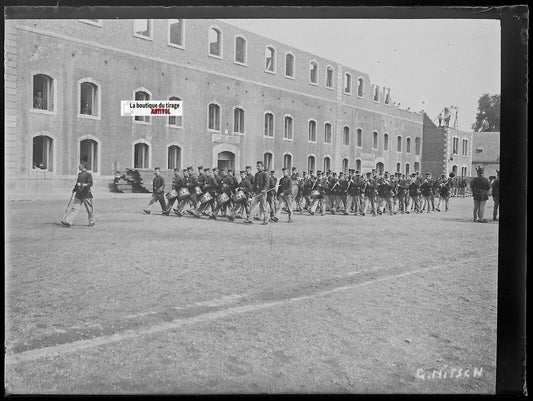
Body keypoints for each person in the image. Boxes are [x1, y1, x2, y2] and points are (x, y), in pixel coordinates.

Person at [62, 163, 95, 227]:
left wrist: (82, 185)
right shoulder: (79, 174)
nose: (79, 166)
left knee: (89, 209)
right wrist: (74, 189)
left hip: (86, 194)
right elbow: (77, 183)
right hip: (78, 194)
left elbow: (90, 183)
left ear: (83, 166)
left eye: (80, 165)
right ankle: (69, 222)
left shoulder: (88, 174)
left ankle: (91, 221)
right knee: (74, 208)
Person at [249, 161, 270, 225]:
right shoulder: (256, 174)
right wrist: (253, 192)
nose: (257, 167)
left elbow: (267, 183)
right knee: (252, 206)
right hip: (257, 194)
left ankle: (266, 220)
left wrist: (264, 190)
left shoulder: (265, 174)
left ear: (262, 167)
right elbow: (255, 185)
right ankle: (250, 219)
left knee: (264, 207)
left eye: (259, 166)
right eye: (257, 166)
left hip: (262, 194)